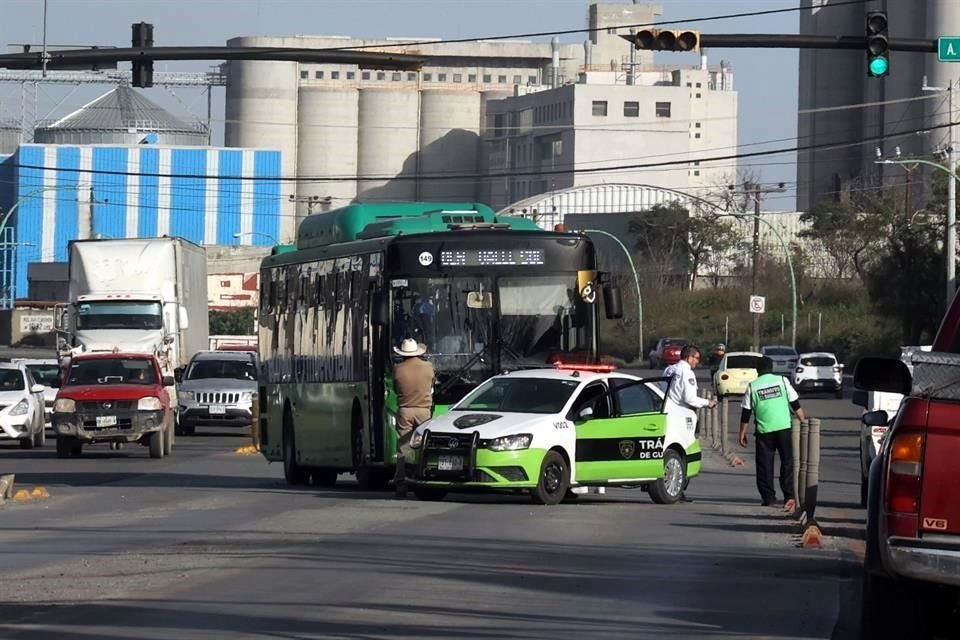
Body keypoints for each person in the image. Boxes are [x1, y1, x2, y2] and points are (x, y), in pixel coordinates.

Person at [738, 356, 807, 508]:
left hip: (764, 431)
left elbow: (746, 412)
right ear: (772, 368)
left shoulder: (753, 386)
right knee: (787, 462)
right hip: (784, 428)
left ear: (757, 370)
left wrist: (742, 433)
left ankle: (768, 498)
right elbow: (795, 404)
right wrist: (804, 422)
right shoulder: (782, 381)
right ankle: (789, 496)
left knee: (764, 466)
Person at [663, 344, 716, 503]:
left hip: (665, 413)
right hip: (681, 416)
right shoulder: (687, 373)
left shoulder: (669, 370)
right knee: (686, 452)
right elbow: (690, 399)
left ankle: (671, 487)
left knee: (669, 452)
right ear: (689, 357)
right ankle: (679, 488)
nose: (697, 362)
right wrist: (708, 402)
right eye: (696, 359)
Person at [392, 338, 435, 497]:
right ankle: (423, 478)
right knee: (423, 446)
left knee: (403, 448)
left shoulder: (398, 369)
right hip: (424, 411)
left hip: (405, 410)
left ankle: (401, 483)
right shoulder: (428, 367)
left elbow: (396, 389)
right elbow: (432, 385)